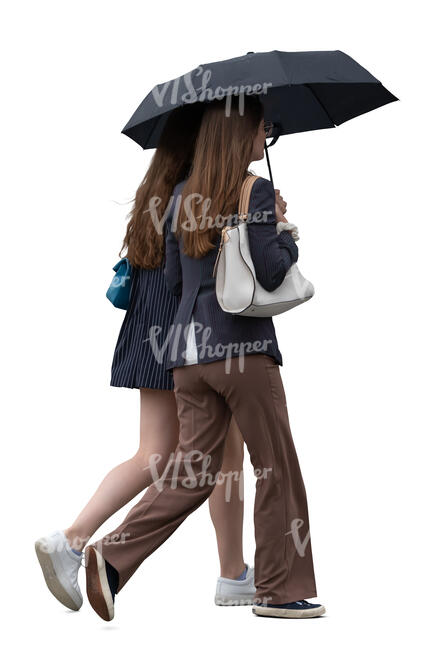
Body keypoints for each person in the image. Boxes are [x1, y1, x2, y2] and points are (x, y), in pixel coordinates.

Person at [84, 95, 325, 621]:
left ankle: (110, 554)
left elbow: (172, 282)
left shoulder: (175, 201)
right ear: (241, 134)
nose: (268, 135)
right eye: (264, 126)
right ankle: (282, 592)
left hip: (186, 360)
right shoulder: (255, 192)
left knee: (190, 473)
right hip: (242, 352)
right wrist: (283, 229)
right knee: (276, 467)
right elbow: (270, 271)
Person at [34, 104, 256, 613]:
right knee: (212, 453)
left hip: (147, 327)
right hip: (196, 335)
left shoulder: (157, 189)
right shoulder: (207, 191)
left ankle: (228, 571)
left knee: (175, 453)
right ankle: (81, 540)